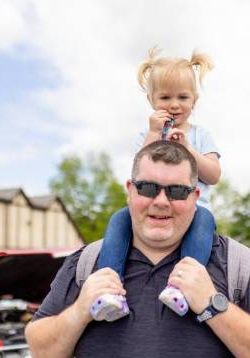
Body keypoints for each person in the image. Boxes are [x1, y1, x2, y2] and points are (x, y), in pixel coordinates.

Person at [25, 142, 250, 358]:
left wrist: (212, 304)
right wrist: (81, 309)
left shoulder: (238, 262)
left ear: (196, 196)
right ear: (130, 190)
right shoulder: (87, 262)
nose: (161, 201)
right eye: (147, 188)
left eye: (177, 191)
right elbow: (42, 352)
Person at [95, 47, 221, 318]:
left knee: (204, 224)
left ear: (194, 100)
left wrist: (189, 150)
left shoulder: (201, 134)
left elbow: (214, 175)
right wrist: (154, 133)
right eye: (165, 97)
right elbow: (139, 169)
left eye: (182, 97)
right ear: (152, 100)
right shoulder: (148, 133)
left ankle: (182, 287)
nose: (174, 105)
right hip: (152, 206)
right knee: (119, 220)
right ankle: (109, 289)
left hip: (193, 210)